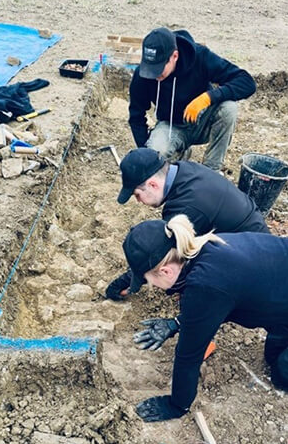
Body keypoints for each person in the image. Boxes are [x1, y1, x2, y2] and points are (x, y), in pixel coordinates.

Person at [120, 215, 288, 422]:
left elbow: (188, 356)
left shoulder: (204, 287)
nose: (150, 286)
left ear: (166, 272)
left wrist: (177, 405)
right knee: (274, 355)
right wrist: (179, 323)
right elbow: (226, 297)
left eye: (147, 281)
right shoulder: (209, 245)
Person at [105, 147, 269, 300]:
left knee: (182, 272)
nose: (139, 201)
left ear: (152, 185)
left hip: (254, 263)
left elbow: (157, 255)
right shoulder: (182, 170)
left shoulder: (187, 206)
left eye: (137, 195)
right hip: (252, 237)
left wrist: (126, 283)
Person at [129, 27, 256, 171]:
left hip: (202, 121)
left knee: (229, 108)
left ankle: (211, 170)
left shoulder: (200, 57)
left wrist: (208, 98)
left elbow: (247, 82)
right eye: (151, 68)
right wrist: (146, 153)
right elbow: (136, 116)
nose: (154, 74)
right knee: (155, 159)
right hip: (171, 127)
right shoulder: (144, 73)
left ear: (175, 56)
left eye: (159, 68)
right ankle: (180, 152)